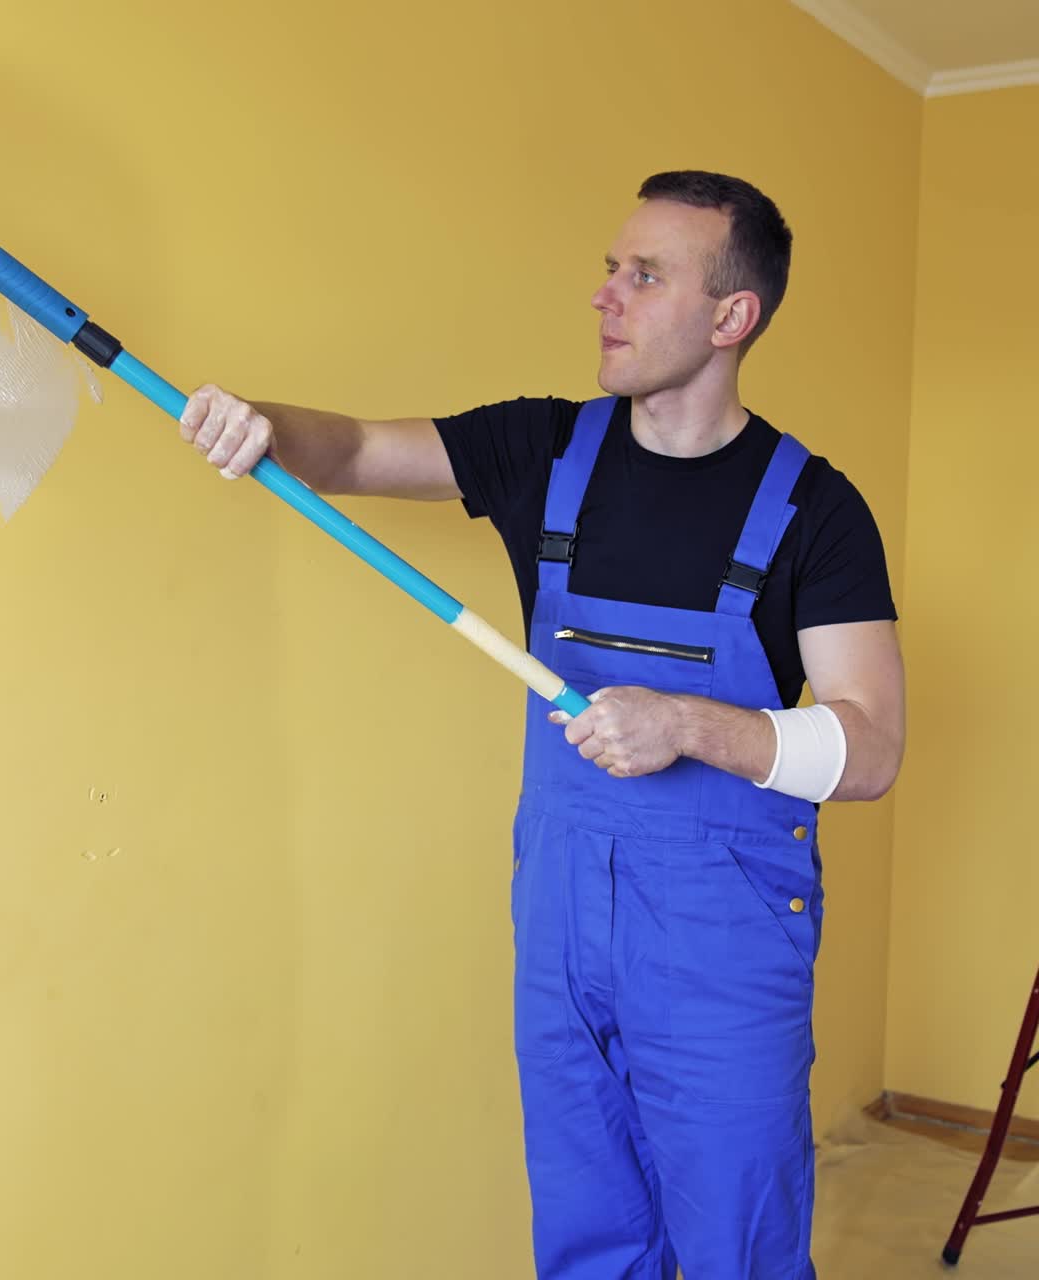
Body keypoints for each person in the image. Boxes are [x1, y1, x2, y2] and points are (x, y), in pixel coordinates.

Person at [177, 170, 906, 1280]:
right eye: (611, 267)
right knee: (588, 1236)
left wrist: (689, 724)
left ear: (729, 316)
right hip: (563, 928)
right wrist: (263, 422)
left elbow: (868, 744)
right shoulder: (543, 453)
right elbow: (356, 452)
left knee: (735, 1244)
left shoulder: (814, 507)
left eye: (643, 274)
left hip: (721, 946)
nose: (604, 294)